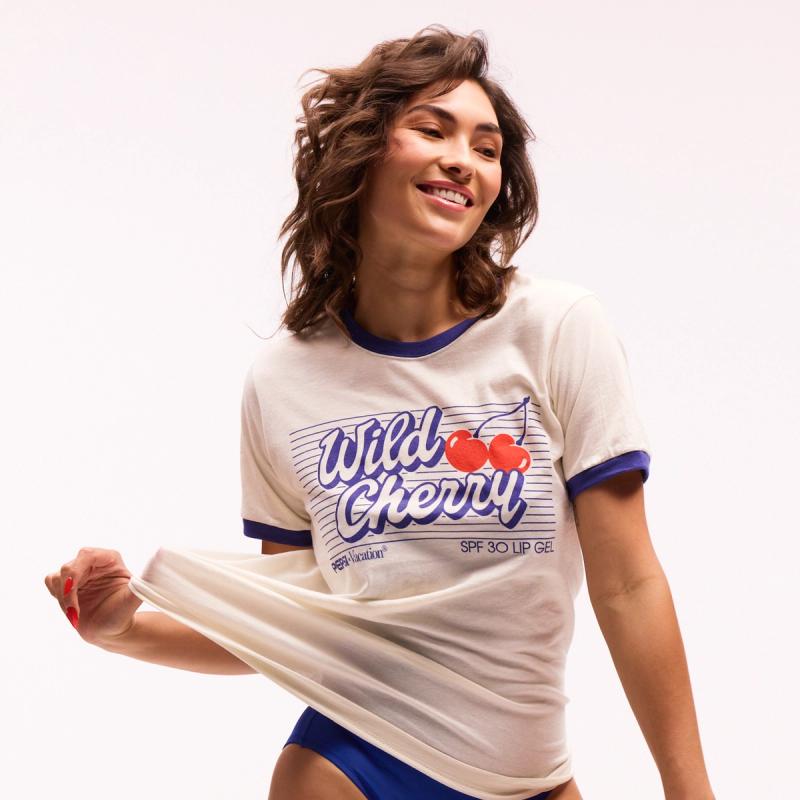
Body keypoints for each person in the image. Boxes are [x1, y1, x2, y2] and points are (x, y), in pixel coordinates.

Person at [44, 25, 715, 800]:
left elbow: (628, 583)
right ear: (362, 150)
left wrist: (689, 790)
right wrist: (124, 630)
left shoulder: (556, 329)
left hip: (529, 774)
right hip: (351, 766)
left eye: (488, 147)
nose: (464, 158)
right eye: (433, 129)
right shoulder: (284, 381)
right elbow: (300, 624)